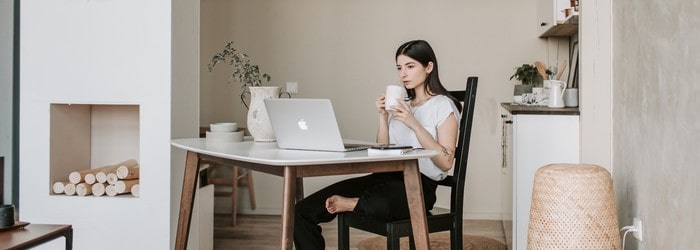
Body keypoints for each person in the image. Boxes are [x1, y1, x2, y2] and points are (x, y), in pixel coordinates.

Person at [294, 40, 462, 249]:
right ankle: (359, 203)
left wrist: (414, 124)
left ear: (429, 67)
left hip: (418, 185)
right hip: (384, 177)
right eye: (399, 68)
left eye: (410, 66)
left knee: (382, 202)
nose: (403, 74)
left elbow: (446, 162)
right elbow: (382, 153)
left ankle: (352, 203)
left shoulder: (443, 105)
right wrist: (383, 117)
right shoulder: (403, 104)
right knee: (301, 212)